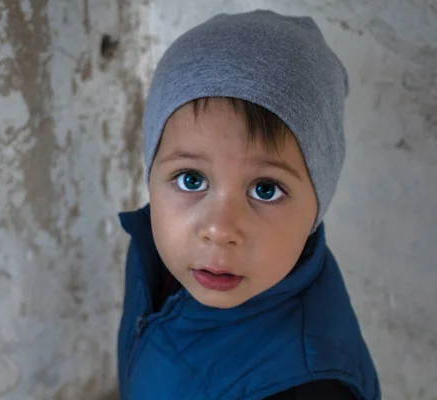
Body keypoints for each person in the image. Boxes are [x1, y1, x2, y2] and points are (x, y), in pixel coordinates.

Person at [116, 10, 381, 400]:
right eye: (192, 180)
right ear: (153, 172)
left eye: (266, 189)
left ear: (318, 205)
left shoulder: (308, 385)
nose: (220, 229)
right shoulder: (152, 250)